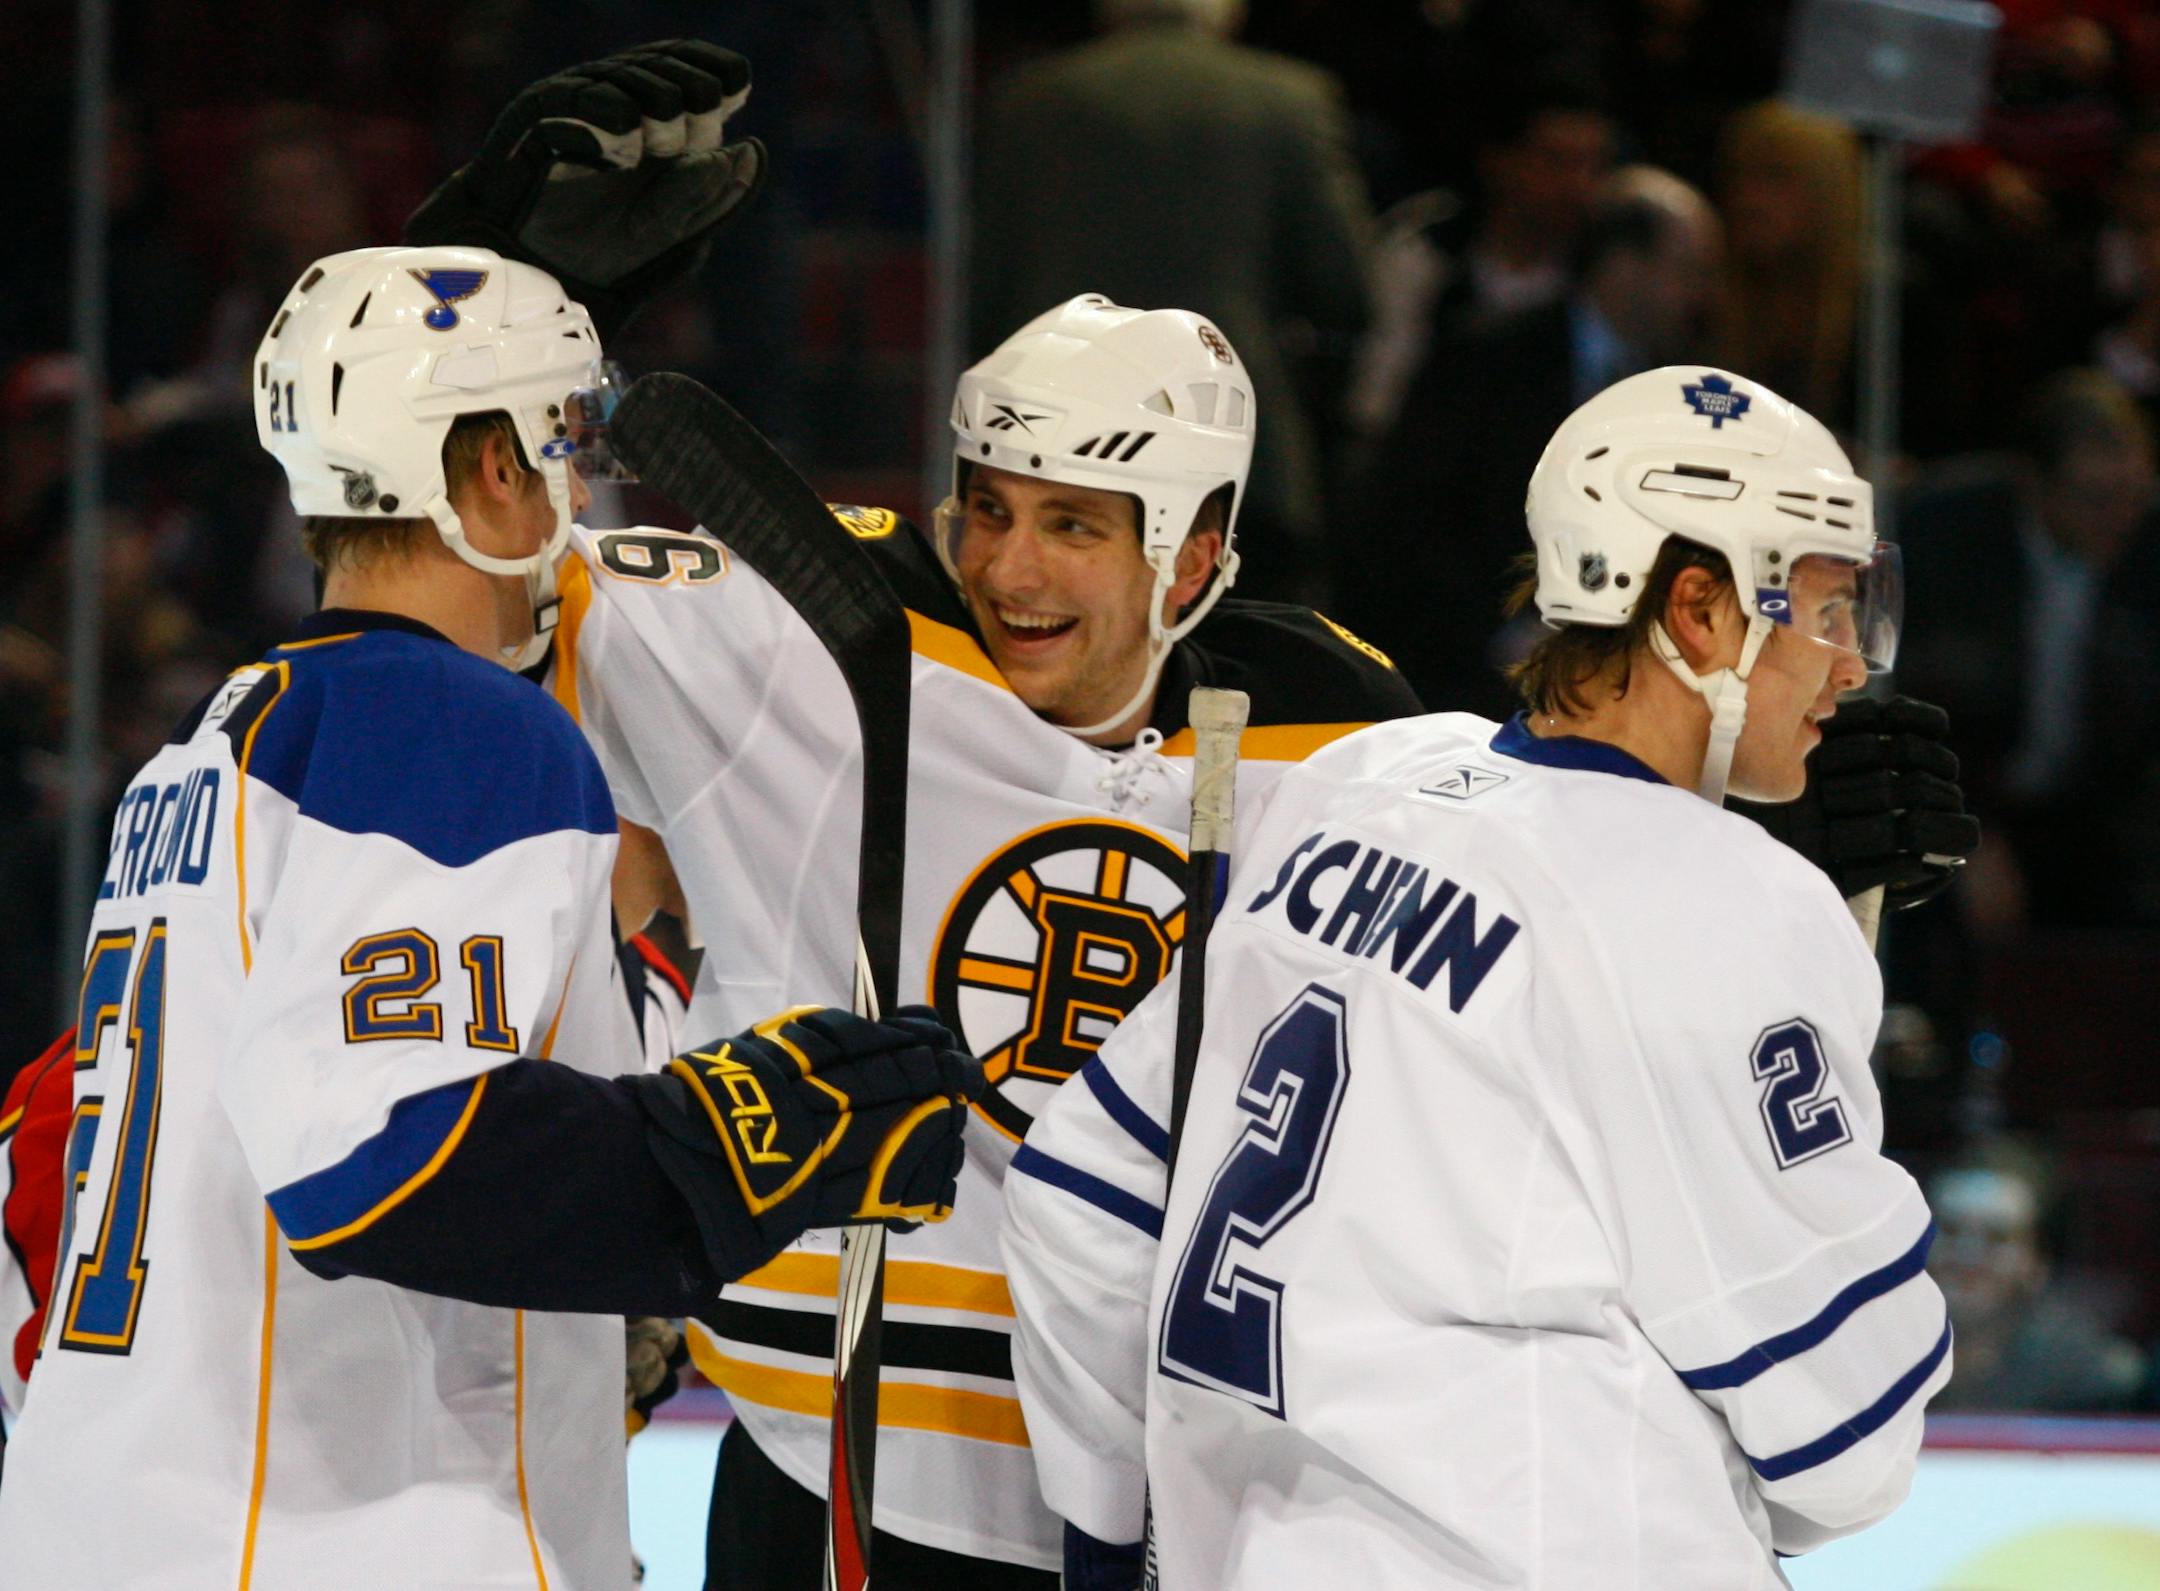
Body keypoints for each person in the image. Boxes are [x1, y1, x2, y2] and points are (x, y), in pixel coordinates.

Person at [400, 43, 1418, 1582]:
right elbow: (464, 589)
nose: (1010, 567)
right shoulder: (825, 630)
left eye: (1075, 525)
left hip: (1165, 1493)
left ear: (1199, 552)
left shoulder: (1333, 728)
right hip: (831, 1464)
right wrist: (478, 311)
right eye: (990, 504)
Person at [0, 243, 980, 1588]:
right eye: (557, 450)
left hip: (126, 1513)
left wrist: (592, 1285)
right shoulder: (452, 717)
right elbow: (384, 1155)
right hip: (329, 1538)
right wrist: (739, 1144)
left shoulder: (214, 742)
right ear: (493, 474)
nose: (577, 497)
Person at [1004, 367, 1958, 1586]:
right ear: (1701, 611)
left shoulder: (1354, 784)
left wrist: (1109, 1548)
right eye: (1826, 609)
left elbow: (1081, 1202)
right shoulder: (1728, 902)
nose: (1850, 666)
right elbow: (1850, 1439)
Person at [971, 0, 1374, 604]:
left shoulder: (1034, 99)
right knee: (1253, 672)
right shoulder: (1288, 98)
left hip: (1056, 443)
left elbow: (987, 292)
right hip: (1236, 454)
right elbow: (1344, 288)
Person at [1342, 164, 1724, 716]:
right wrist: (1505, 633)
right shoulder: (1487, 358)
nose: (1702, 296)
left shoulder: (1685, 392)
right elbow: (1413, 521)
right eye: (1688, 272)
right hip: (1462, 676)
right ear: (1622, 266)